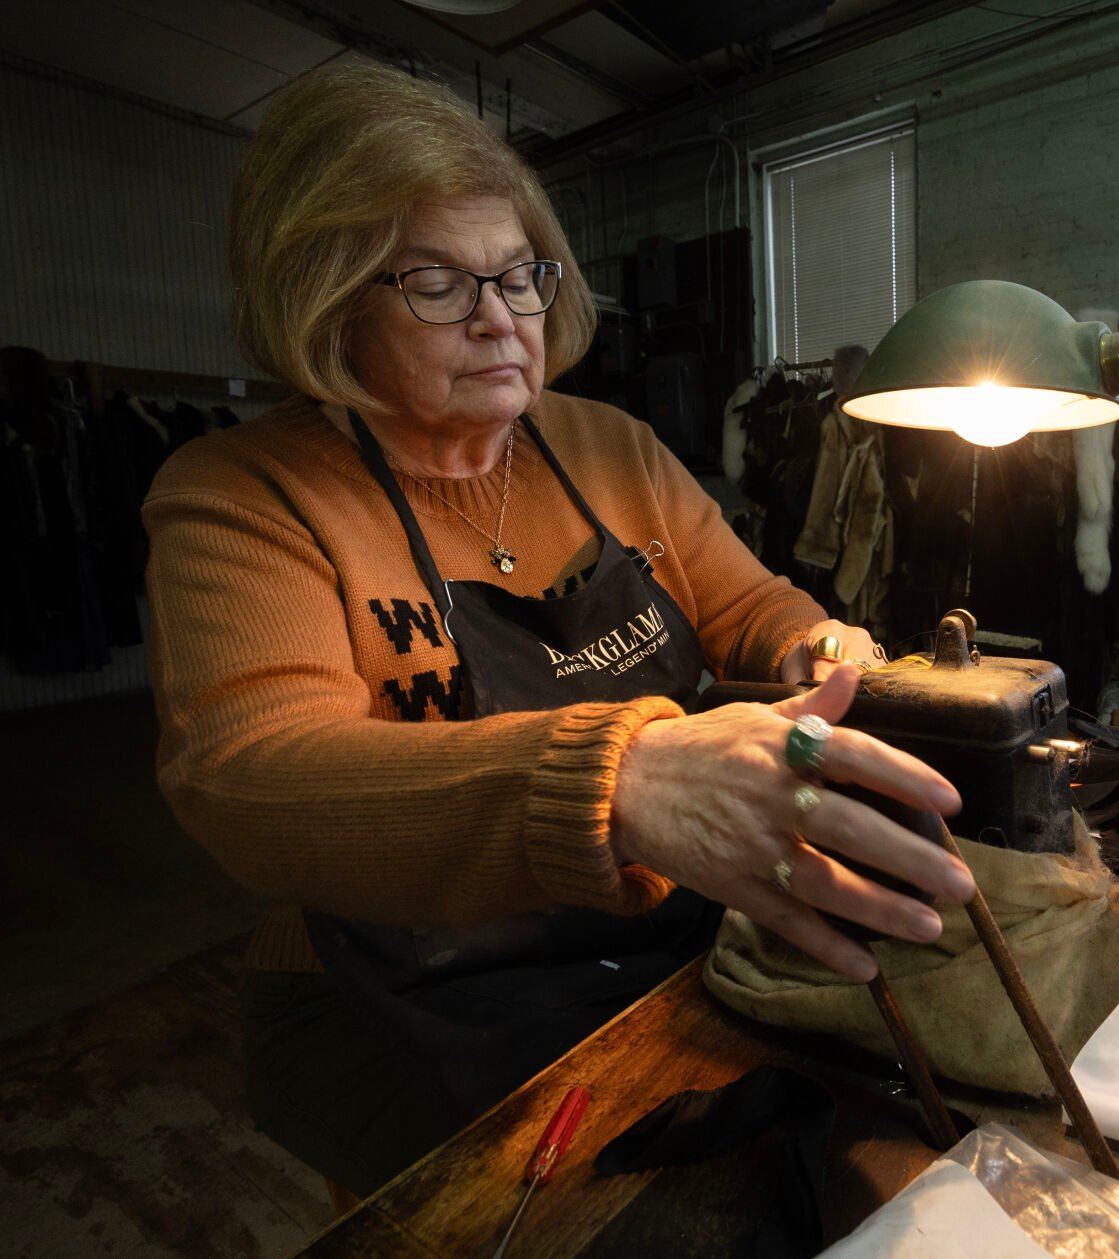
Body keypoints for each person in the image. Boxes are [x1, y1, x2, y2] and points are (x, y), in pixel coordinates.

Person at [143, 63, 972, 1199]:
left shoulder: (605, 446)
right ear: (328, 300)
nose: (497, 316)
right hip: (391, 988)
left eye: (518, 275)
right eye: (435, 282)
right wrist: (620, 777)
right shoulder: (244, 491)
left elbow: (750, 603)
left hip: (647, 938)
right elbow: (246, 776)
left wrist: (819, 646)